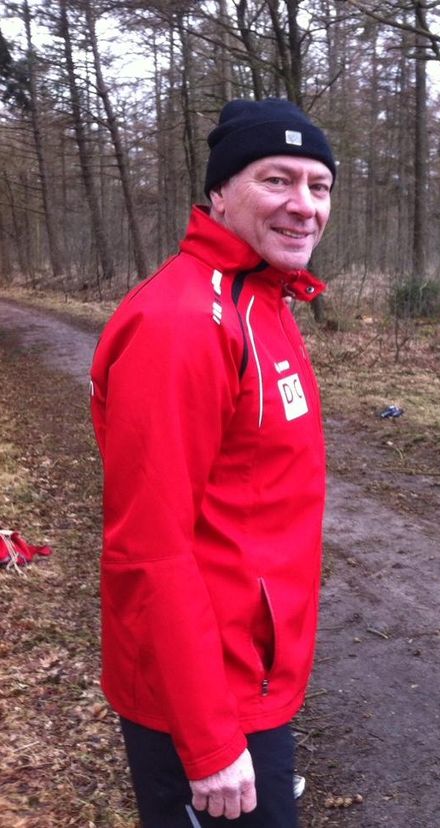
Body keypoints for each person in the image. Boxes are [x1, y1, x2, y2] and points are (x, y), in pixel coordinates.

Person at [90, 98, 335, 825]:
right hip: (202, 701)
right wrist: (208, 742)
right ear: (220, 194)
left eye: (318, 186)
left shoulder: (262, 300)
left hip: (250, 677)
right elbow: (150, 549)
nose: (303, 206)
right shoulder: (183, 324)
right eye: (277, 180)